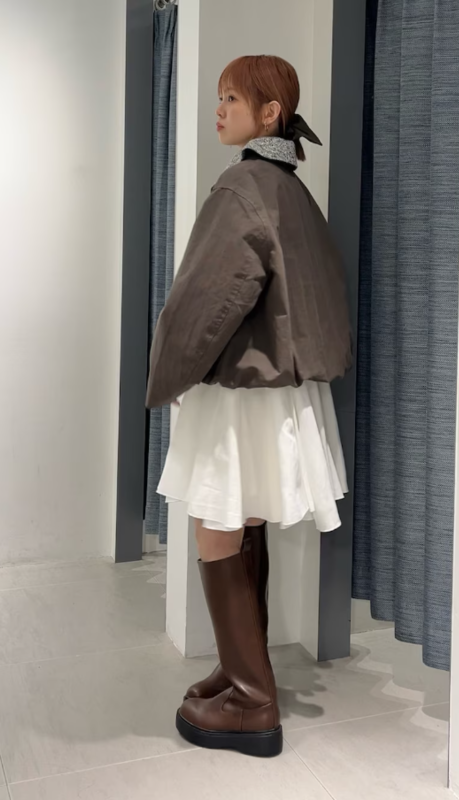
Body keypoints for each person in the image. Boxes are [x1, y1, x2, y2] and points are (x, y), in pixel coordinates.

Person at [146, 54, 352, 758]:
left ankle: (252, 700)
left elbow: (205, 297)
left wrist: (169, 370)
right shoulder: (290, 187)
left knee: (215, 523)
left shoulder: (242, 186)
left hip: (239, 387)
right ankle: (244, 670)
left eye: (231, 98)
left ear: (270, 113)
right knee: (245, 519)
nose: (219, 109)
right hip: (280, 390)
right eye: (219, 97)